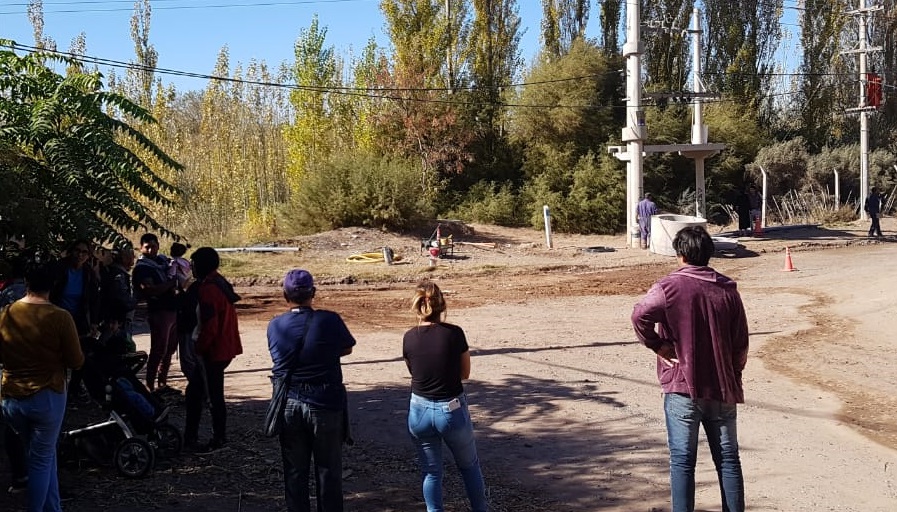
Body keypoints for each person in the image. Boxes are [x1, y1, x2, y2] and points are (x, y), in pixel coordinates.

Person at [630, 225, 749, 512]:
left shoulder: (668, 287)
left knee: (683, 461)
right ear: (709, 254)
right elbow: (740, 343)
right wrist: (734, 376)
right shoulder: (727, 289)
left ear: (679, 254)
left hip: (682, 387)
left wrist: (657, 345)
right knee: (729, 459)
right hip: (721, 388)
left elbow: (639, 315)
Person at [267, 269, 355, 512]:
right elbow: (347, 348)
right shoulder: (329, 320)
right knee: (329, 471)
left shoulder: (275, 325)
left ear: (285, 295)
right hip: (325, 401)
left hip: (289, 402)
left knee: (295, 472)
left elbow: (279, 357)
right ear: (313, 293)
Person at [1, 263, 84, 512]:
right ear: (54, 285)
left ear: (26, 282)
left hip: (12, 397)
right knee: (41, 460)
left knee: (43, 457)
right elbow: (76, 360)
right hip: (47, 395)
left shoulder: (6, 313)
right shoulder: (59, 317)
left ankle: (53, 508)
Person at [402, 281, 487, 512]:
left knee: (431, 471)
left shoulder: (409, 337)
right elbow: (465, 373)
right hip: (450, 408)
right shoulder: (455, 334)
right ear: (442, 306)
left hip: (419, 410)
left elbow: (413, 370)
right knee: (469, 467)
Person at [187, 247, 242, 453]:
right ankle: (199, 437)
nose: (191, 267)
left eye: (193, 263)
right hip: (223, 346)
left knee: (207, 395)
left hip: (214, 350)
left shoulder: (209, 288)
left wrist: (200, 347)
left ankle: (216, 438)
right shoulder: (218, 281)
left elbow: (210, 324)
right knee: (200, 392)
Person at [49, 239, 100, 403]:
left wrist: (94, 321)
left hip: (78, 318)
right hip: (57, 316)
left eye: (85, 252)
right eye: (77, 250)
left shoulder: (88, 272)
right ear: (71, 251)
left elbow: (94, 299)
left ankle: (75, 389)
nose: (80, 255)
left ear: (89, 255)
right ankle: (58, 388)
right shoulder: (59, 268)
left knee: (80, 354)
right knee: (58, 354)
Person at [132, 233, 179, 393]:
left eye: (154, 246)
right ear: (141, 248)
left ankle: (163, 383)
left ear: (158, 245)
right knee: (159, 349)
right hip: (159, 311)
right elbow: (150, 290)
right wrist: (171, 283)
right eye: (147, 247)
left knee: (170, 348)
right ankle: (150, 386)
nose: (151, 249)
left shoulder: (162, 261)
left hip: (172, 309)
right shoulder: (142, 267)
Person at [100, 245, 138, 353]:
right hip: (117, 323)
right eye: (130, 254)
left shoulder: (115, 272)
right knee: (119, 350)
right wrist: (135, 301)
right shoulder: (117, 274)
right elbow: (119, 298)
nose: (133, 258)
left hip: (117, 321)